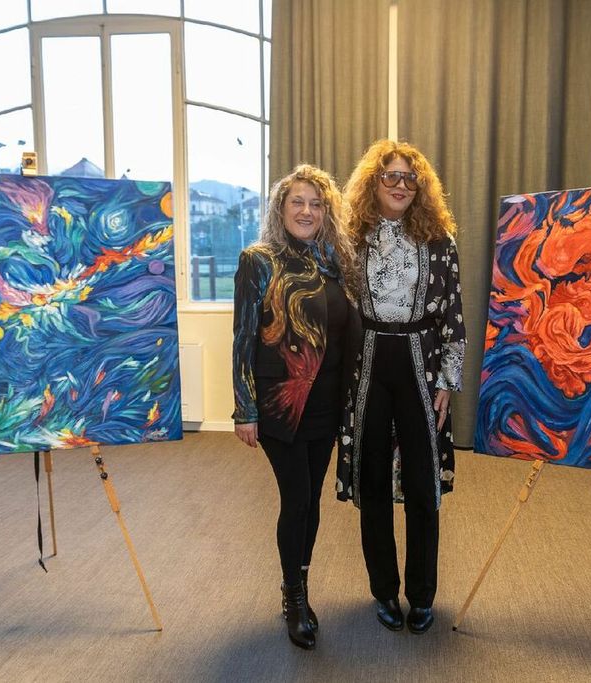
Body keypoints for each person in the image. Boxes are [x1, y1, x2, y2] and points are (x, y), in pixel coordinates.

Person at [336, 140, 465, 635]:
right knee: (372, 480)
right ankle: (384, 591)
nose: (400, 185)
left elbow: (453, 313)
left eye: (410, 178)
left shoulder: (439, 240)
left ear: (420, 187)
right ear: (373, 182)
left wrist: (449, 379)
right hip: (367, 362)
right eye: (390, 176)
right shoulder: (352, 239)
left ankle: (422, 593)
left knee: (422, 482)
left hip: (421, 363)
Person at [232, 164, 360, 650]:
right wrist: (244, 409)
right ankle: (294, 597)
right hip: (281, 405)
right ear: (280, 209)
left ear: (326, 212)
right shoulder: (258, 260)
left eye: (315, 204)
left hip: (327, 405)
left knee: (312, 500)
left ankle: (299, 581)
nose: (306, 211)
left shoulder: (334, 263)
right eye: (297, 203)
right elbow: (243, 338)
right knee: (298, 498)